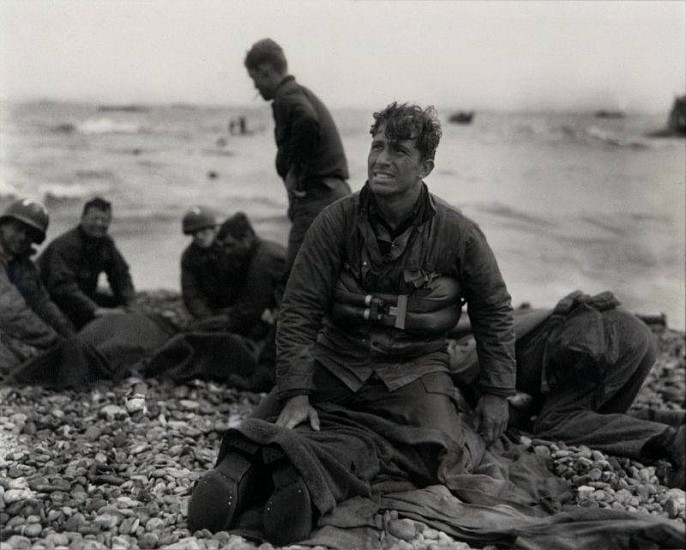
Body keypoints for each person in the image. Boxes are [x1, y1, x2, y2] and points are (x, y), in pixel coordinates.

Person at [188, 102, 516, 543]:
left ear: (426, 166)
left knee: (435, 453)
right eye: (377, 145)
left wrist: (496, 391)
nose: (381, 159)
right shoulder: (335, 222)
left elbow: (493, 308)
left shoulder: (459, 234)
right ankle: (237, 474)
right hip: (337, 358)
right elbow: (300, 307)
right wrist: (298, 392)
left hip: (415, 370)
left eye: (398, 150)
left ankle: (297, 473)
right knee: (275, 417)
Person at [449, 291, 685, 488]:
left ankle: (672, 440)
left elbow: (464, 368)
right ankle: (674, 420)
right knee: (599, 423)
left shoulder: (475, 351)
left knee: (555, 423)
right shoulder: (518, 330)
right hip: (637, 337)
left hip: (593, 339)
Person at [144, 212, 286, 390]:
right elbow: (192, 294)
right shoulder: (258, 252)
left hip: (280, 309)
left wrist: (223, 324)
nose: (228, 250)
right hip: (232, 309)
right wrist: (209, 319)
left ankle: (263, 378)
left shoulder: (261, 261)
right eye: (194, 234)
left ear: (247, 238)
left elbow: (251, 307)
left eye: (231, 245)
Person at [244, 38, 352, 270]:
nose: (255, 88)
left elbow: (306, 120)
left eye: (254, 80)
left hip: (318, 198)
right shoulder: (297, 93)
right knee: (327, 276)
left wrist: (296, 172)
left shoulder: (287, 96)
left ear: (265, 72)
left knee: (297, 279)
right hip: (334, 194)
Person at [38, 197, 135, 329]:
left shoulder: (106, 243)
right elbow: (62, 287)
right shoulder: (65, 245)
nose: (100, 224)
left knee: (124, 310)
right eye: (95, 219)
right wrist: (94, 310)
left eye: (105, 220)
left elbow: (120, 275)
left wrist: (130, 305)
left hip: (81, 297)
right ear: (83, 218)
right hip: (50, 299)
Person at [0, 199, 74, 368]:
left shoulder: (22, 264)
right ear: (3, 225)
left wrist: (71, 337)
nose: (22, 238)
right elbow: (8, 310)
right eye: (18, 229)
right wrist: (53, 340)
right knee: (10, 365)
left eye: (30, 234)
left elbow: (41, 303)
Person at [179, 206, 222, 319]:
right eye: (194, 233)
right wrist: (207, 317)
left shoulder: (232, 246)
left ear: (214, 229)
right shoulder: (189, 256)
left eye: (203, 231)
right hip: (211, 309)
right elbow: (191, 294)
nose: (199, 236)